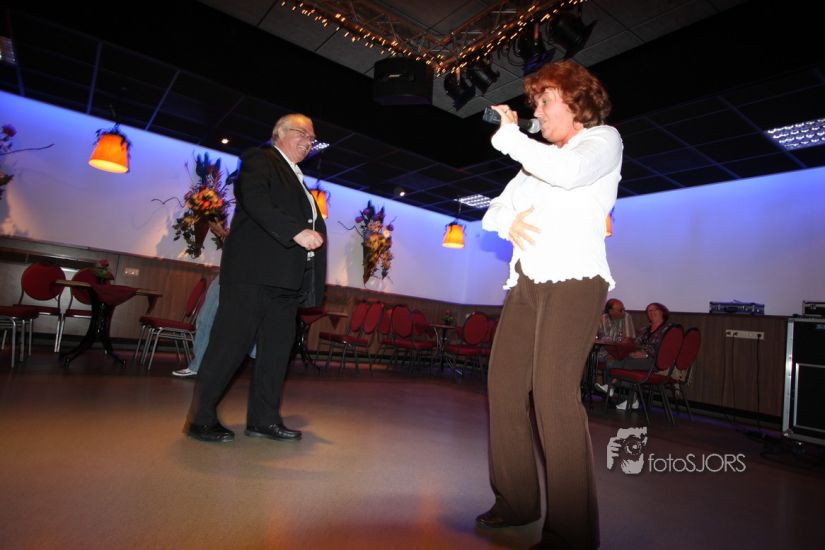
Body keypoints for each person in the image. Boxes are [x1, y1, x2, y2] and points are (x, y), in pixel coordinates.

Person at [478, 60, 622, 549]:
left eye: (544, 101)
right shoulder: (534, 163)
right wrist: (506, 223)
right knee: (504, 386)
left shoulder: (602, 141)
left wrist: (511, 135)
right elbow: (494, 210)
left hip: (575, 280)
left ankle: (571, 532)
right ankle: (516, 501)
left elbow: (568, 173)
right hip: (526, 283)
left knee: (553, 395)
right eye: (534, 103)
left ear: (576, 101)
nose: (536, 111)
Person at [185, 113, 326, 443]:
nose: (309, 141)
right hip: (253, 274)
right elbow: (255, 200)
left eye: (312, 137)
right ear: (279, 133)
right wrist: (295, 232)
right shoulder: (259, 159)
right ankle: (200, 418)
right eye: (303, 133)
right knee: (229, 346)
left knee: (276, 354)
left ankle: (264, 420)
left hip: (285, 283)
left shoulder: (299, 180)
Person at [173, 222, 256, 378]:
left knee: (247, 324)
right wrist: (225, 234)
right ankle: (198, 365)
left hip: (248, 276)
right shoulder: (245, 216)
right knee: (205, 319)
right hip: (228, 272)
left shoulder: (263, 216)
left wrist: (226, 234)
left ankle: (264, 359)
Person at [600, 302, 672, 410]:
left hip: (654, 361)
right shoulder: (645, 330)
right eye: (649, 311)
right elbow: (635, 344)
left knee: (623, 364)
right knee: (611, 361)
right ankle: (631, 398)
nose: (651, 312)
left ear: (662, 311)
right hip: (638, 359)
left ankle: (612, 386)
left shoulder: (668, 329)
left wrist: (646, 354)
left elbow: (666, 349)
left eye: (655, 309)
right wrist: (630, 348)